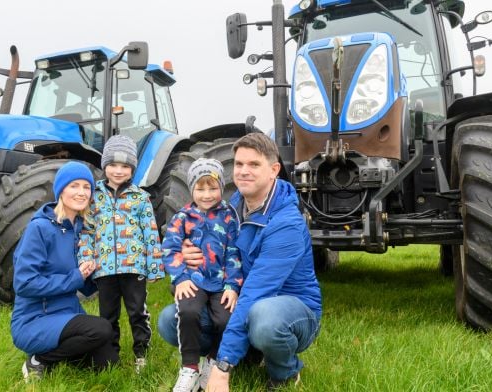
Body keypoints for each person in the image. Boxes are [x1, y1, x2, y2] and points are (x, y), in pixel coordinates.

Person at [158, 133, 322, 391]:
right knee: (171, 319)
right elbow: (212, 241)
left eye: (254, 164)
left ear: (274, 170)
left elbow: (256, 292)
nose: (244, 171)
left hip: (288, 309)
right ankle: (246, 356)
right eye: (239, 164)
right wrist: (186, 254)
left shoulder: (286, 224)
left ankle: (285, 372)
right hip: (242, 299)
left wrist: (222, 368)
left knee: (264, 319)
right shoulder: (233, 206)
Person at [11, 161, 117, 382]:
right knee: (101, 329)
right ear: (61, 190)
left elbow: (85, 286)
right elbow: (24, 284)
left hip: (68, 313)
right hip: (35, 318)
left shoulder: (82, 228)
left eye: (86, 187)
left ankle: (59, 357)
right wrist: (76, 276)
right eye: (74, 186)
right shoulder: (39, 228)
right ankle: (40, 359)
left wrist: (102, 273)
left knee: (107, 361)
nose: (81, 193)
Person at [77, 135, 164, 373]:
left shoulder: (140, 198)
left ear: (132, 168)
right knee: (108, 314)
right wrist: (86, 257)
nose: (118, 171)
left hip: (134, 267)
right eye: (113, 165)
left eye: (125, 166)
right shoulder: (94, 196)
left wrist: (154, 265)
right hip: (104, 268)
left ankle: (141, 353)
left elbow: (150, 233)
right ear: (105, 165)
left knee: (137, 311)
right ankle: (110, 353)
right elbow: (87, 230)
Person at [162, 158, 243, 392]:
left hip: (220, 283)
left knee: (225, 319)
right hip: (193, 279)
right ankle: (189, 367)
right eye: (200, 188)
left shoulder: (228, 216)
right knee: (187, 312)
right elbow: (170, 249)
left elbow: (233, 252)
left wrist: (232, 286)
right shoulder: (182, 217)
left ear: (221, 188)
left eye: (212, 188)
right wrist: (180, 277)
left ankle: (212, 361)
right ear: (191, 189)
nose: (207, 194)